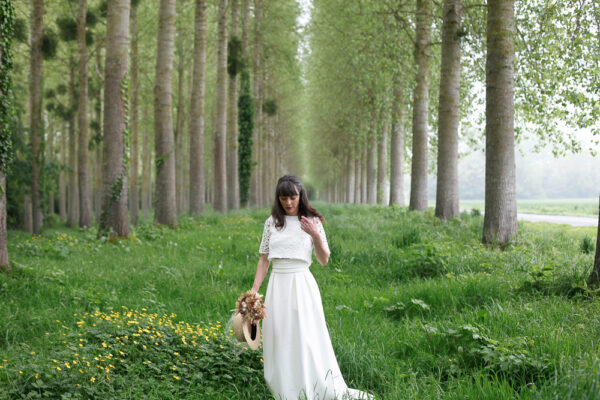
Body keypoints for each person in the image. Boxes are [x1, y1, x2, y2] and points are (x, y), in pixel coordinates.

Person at [249, 174, 373, 400]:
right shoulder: (272, 222)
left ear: (301, 196)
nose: (288, 202)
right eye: (283, 197)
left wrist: (315, 235)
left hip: (301, 284)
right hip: (278, 284)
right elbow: (264, 260)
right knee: (278, 335)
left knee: (304, 335)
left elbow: (324, 259)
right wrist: (255, 291)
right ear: (278, 198)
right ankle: (284, 387)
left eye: (293, 197)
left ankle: (310, 384)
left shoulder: (312, 221)